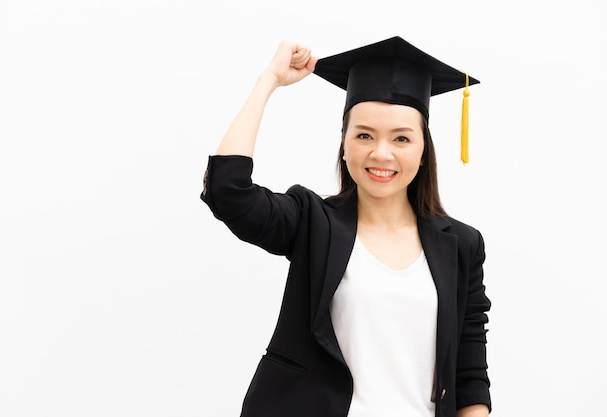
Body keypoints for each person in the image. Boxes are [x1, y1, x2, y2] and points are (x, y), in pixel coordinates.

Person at [200, 36, 492, 417]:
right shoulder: (311, 223)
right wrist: (268, 80)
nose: (381, 153)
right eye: (364, 135)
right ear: (344, 144)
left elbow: (470, 374)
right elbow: (229, 192)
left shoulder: (461, 245)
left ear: (423, 151)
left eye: (401, 138)